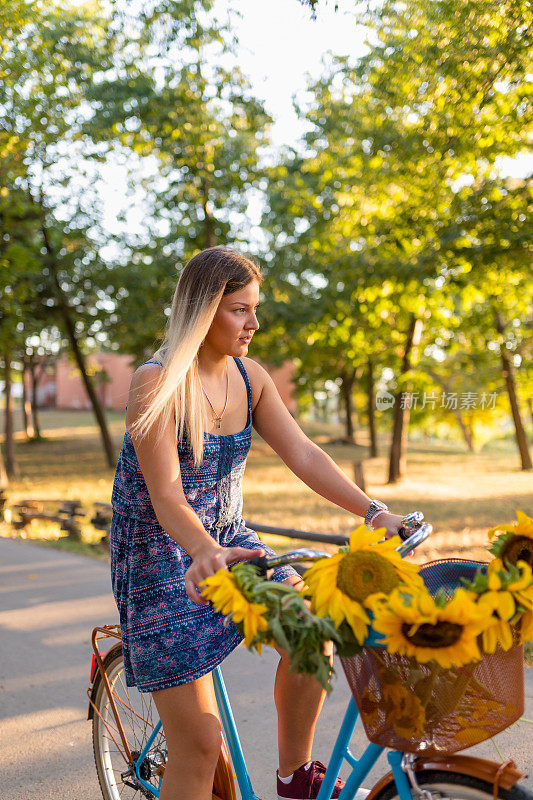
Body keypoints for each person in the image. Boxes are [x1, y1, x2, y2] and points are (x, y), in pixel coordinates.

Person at [110, 247, 407, 800]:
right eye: (239, 310)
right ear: (203, 311)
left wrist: (374, 512)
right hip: (163, 557)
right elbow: (167, 494)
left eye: (255, 308)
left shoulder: (252, 379)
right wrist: (202, 550)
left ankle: (293, 778)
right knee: (199, 745)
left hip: (229, 541)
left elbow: (306, 454)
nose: (255, 323)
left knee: (310, 635)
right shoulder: (157, 383)